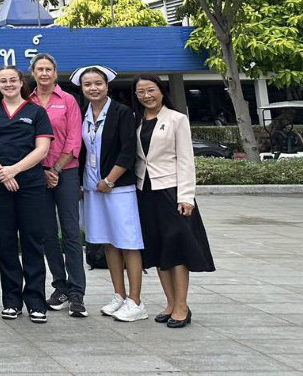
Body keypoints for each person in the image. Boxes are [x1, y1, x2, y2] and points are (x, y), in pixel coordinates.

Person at [0, 66, 54, 322]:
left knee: (32, 242)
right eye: (3, 81)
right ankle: (11, 300)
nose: (8, 84)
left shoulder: (36, 112)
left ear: (21, 83)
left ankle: (36, 302)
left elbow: (42, 149)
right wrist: (1, 172)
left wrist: (15, 170)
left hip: (30, 185)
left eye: (12, 80)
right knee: (6, 243)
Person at [134, 73, 214, 328]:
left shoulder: (177, 119)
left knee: (177, 248)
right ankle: (170, 303)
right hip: (145, 191)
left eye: (151, 90)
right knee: (158, 250)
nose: (146, 95)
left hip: (171, 192)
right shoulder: (136, 121)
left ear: (161, 90)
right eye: (141, 92)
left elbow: (186, 159)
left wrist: (186, 197)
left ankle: (182, 305)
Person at [75, 65, 146, 322]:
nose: (93, 88)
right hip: (93, 187)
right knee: (107, 241)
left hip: (118, 187)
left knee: (128, 241)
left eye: (98, 83)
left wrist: (110, 180)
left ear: (107, 86)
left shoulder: (122, 112)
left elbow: (128, 151)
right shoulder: (84, 114)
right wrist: (84, 184)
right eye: (88, 84)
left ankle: (136, 300)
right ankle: (119, 294)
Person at [29, 53, 86, 316]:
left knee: (71, 233)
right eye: (39, 69)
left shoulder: (69, 101)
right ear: (33, 73)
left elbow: (75, 141)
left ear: (55, 72)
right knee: (48, 234)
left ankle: (77, 291)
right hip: (38, 175)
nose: (44, 74)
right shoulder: (27, 102)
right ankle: (59, 285)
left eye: (48, 69)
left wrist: (56, 169)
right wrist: (43, 171)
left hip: (66, 172)